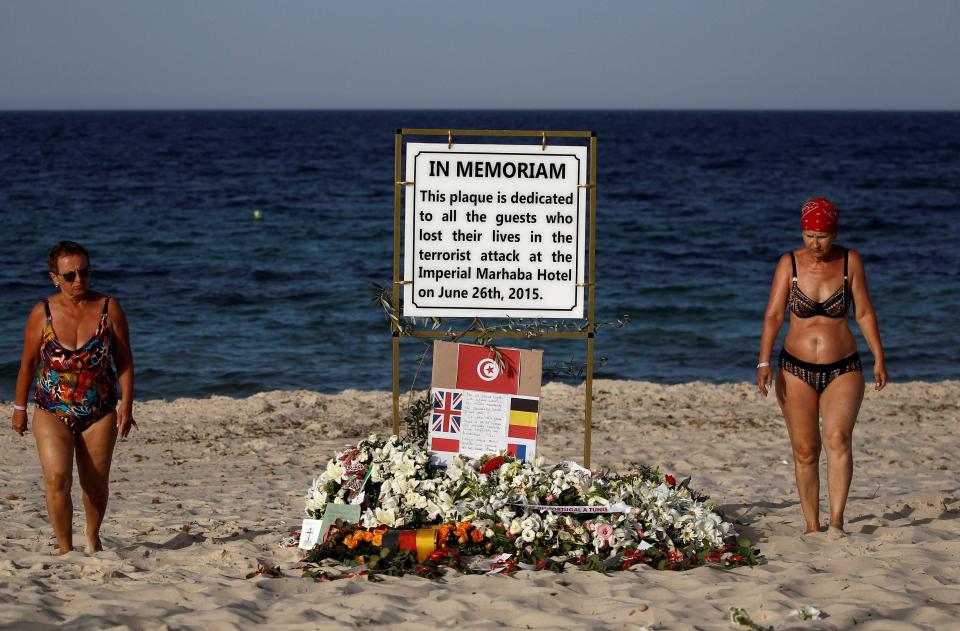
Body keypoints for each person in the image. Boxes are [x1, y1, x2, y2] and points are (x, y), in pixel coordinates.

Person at [757, 198, 886, 540]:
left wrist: (879, 357)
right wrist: (764, 360)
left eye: (822, 236)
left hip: (843, 367)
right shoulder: (789, 263)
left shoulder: (850, 261)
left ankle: (837, 522)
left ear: (834, 233)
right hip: (794, 368)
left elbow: (864, 313)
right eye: (809, 234)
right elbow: (773, 315)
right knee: (805, 449)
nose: (815, 243)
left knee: (838, 439)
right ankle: (811, 524)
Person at [10, 241, 136, 554]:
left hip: (100, 410)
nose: (78, 279)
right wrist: (19, 408)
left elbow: (125, 361)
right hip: (52, 409)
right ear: (55, 277)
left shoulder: (109, 308)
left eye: (84, 272)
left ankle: (93, 537)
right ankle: (65, 548)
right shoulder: (43, 312)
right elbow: (27, 364)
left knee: (94, 486)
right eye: (70, 275)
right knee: (57, 478)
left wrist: (126, 406)